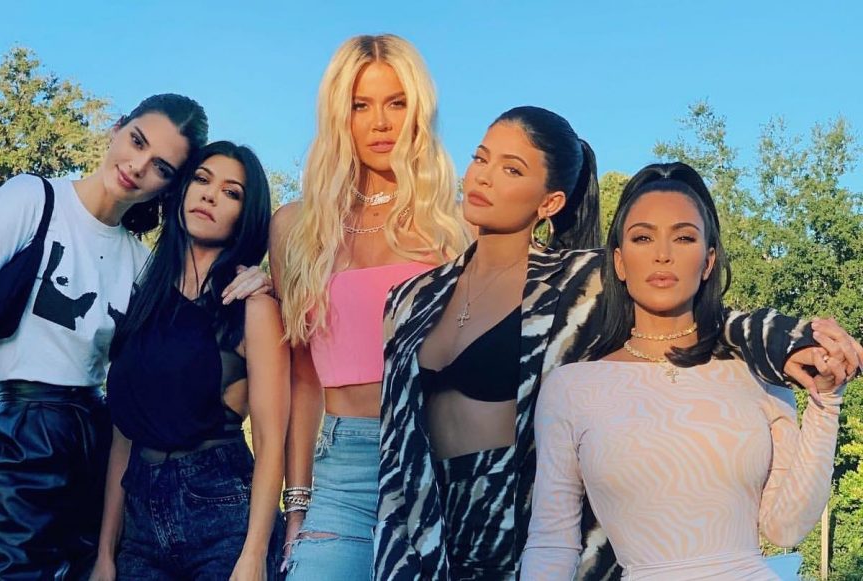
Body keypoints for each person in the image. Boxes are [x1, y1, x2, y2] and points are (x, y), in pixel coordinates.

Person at [376, 108, 863, 580]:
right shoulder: (413, 300)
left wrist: (793, 345)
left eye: (511, 168)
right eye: (481, 158)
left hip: (517, 523)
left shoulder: (580, 281)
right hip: (432, 532)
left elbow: (718, 319)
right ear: (622, 259)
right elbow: (396, 448)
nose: (483, 176)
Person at [0, 94, 268, 579]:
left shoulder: (144, 266)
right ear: (116, 128)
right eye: (137, 141)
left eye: (161, 167)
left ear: (170, 186)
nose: (138, 166)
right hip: (24, 433)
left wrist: (263, 281)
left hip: (99, 444)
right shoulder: (32, 200)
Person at [521, 162, 848, 579]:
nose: (663, 254)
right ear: (619, 262)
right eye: (643, 237)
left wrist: (827, 402)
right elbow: (552, 543)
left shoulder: (754, 372)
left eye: (684, 237)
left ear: (708, 261)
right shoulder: (571, 388)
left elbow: (785, 528)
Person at [269, 34, 468, 579]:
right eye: (361, 105)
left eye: (396, 103)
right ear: (340, 115)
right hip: (341, 470)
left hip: (434, 462)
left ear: (418, 111)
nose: (381, 122)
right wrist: (298, 503)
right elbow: (303, 376)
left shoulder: (455, 227)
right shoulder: (296, 228)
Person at [91, 141, 287, 580]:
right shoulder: (143, 298)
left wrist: (254, 554)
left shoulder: (252, 305)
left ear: (246, 215)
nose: (210, 195)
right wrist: (105, 551)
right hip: (139, 524)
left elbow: (271, 439)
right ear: (181, 190)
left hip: (223, 514)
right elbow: (124, 433)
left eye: (231, 192)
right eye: (201, 179)